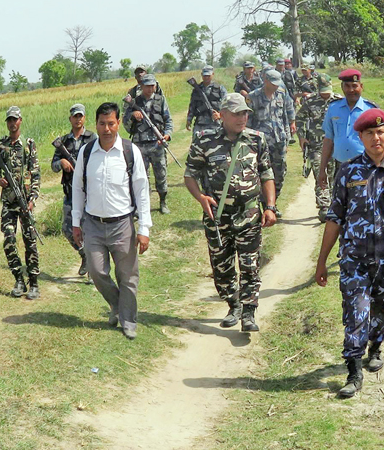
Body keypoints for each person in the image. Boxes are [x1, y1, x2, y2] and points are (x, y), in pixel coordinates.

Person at [315, 108, 384, 398]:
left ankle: (376, 346)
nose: (376, 138)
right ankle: (353, 369)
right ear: (361, 137)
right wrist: (322, 261)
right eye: (369, 133)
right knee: (356, 310)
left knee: (383, 304)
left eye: (380, 132)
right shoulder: (348, 171)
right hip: (354, 256)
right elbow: (334, 218)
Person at [184, 93, 278, 332]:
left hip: (248, 215)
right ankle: (233, 303)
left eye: (245, 113)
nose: (242, 117)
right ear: (222, 115)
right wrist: (200, 197)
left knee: (249, 265)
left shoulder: (257, 139)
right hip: (218, 217)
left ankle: (249, 313)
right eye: (237, 113)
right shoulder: (204, 141)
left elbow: (266, 174)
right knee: (222, 267)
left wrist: (270, 207)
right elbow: (190, 174)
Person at [72, 102, 152, 340]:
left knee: (128, 275)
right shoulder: (86, 153)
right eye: (102, 124)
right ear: (95, 124)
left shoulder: (130, 151)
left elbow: (142, 190)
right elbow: (78, 188)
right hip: (93, 225)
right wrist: (77, 221)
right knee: (97, 272)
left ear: (118, 124)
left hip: (122, 225)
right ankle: (117, 305)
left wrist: (144, 227)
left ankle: (128, 320)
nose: (106, 129)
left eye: (111, 123)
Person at [0, 106, 41, 299]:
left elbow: (36, 174)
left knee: (30, 240)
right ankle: (18, 279)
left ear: (20, 121)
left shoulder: (28, 144)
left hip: (25, 201)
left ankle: (34, 282)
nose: (12, 124)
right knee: (9, 240)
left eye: (15, 120)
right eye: (9, 121)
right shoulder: (2, 144)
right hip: (8, 202)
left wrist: (33, 198)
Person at [51, 103, 96, 276]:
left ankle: (93, 268)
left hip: (90, 192)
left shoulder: (92, 139)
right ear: (70, 119)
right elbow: (53, 165)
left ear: (84, 118)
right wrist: (61, 163)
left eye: (80, 116)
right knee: (67, 228)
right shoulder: (63, 142)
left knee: (90, 229)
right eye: (75, 116)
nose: (78, 119)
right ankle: (84, 255)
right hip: (70, 192)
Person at [318, 69, 379, 189]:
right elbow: (328, 140)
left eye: (354, 86)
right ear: (342, 87)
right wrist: (322, 169)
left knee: (364, 205)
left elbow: (379, 141)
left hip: (365, 167)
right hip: (340, 167)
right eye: (347, 86)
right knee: (339, 204)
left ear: (361, 87)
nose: (351, 90)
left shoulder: (371, 110)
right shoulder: (333, 108)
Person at [123, 74, 174, 214]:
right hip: (139, 145)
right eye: (147, 86)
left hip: (157, 144)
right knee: (140, 177)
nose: (150, 88)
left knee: (161, 174)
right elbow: (125, 123)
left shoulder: (161, 100)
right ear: (142, 87)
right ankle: (141, 205)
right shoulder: (134, 102)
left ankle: (163, 202)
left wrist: (167, 135)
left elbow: (168, 120)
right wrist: (133, 116)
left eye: (152, 85)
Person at [246, 69, 295, 212]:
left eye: (277, 84)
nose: (275, 86)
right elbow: (247, 121)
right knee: (261, 173)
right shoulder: (253, 97)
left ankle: (273, 202)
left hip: (279, 140)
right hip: (260, 143)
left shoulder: (281, 94)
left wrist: (287, 137)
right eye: (272, 83)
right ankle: (265, 205)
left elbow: (286, 115)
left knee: (280, 173)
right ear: (265, 80)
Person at [295, 73, 343, 221]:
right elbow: (299, 118)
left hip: (338, 145)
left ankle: (337, 205)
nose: (325, 94)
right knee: (320, 173)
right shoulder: (310, 102)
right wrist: (301, 137)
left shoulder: (340, 101)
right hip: (317, 145)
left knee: (337, 175)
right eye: (322, 91)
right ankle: (324, 206)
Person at [187, 65, 226, 138]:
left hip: (215, 123)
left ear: (213, 74)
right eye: (205, 75)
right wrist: (189, 119)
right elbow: (192, 106)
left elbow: (226, 104)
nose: (206, 77)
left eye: (208, 75)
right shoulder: (196, 89)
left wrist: (220, 114)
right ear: (201, 75)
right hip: (200, 124)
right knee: (196, 146)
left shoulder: (220, 88)